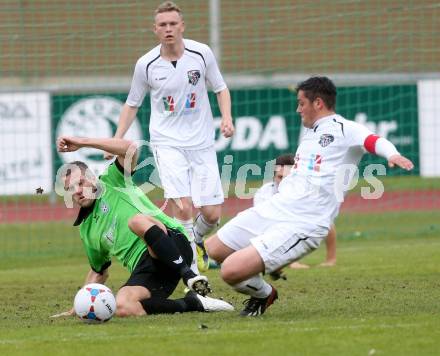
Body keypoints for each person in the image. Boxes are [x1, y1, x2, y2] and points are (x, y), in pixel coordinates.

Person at [205, 76, 414, 316]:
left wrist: (392, 155)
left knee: (229, 271)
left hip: (304, 223)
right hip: (276, 209)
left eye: (301, 103)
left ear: (318, 103)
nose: (297, 109)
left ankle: (264, 294)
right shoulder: (310, 134)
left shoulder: (345, 128)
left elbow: (374, 141)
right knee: (212, 249)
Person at [106, 1, 234, 272]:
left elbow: (221, 88)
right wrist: (117, 139)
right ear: (155, 30)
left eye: (173, 24)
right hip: (167, 142)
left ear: (182, 26)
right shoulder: (146, 64)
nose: (168, 29)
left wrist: (227, 118)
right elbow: (132, 104)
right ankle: (194, 275)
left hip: (201, 142)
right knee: (183, 206)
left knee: (212, 213)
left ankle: (195, 240)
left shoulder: (201, 54)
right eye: (162, 25)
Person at [52, 135, 234, 318]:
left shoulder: (112, 181)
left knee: (136, 221)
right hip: (150, 270)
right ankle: (193, 303)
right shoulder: (86, 231)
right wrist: (78, 306)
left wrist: (83, 143)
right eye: (70, 189)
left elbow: (130, 148)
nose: (77, 191)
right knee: (121, 306)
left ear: (92, 178)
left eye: (81, 183)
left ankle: (189, 276)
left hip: (173, 244)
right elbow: (98, 272)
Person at [254, 153, 337, 270]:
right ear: (273, 176)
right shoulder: (263, 194)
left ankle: (331, 259)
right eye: (279, 177)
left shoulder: (308, 191)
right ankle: (284, 261)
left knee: (325, 220)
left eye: (287, 177)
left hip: (302, 221)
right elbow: (263, 226)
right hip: (273, 228)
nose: (283, 181)